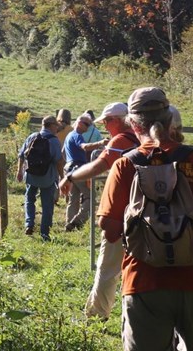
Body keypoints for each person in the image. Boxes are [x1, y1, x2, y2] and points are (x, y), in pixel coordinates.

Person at [97, 87, 193, 351]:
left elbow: (110, 230)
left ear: (132, 123)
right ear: (169, 120)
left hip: (143, 282)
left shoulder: (125, 165)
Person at [58, 101, 139, 319]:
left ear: (117, 121)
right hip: (143, 212)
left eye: (106, 122)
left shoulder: (121, 140)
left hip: (120, 214)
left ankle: (97, 314)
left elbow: (98, 166)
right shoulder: (143, 139)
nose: (105, 127)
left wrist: (69, 177)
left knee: (107, 268)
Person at [16, 115, 63, 242]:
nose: (57, 128)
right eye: (56, 126)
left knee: (29, 199)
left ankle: (29, 224)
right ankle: (44, 234)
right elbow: (58, 161)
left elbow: (21, 155)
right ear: (51, 125)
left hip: (31, 175)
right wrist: (62, 178)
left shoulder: (32, 136)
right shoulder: (54, 141)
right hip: (47, 178)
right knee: (47, 206)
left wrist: (19, 171)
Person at [61, 114, 108, 231]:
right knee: (91, 198)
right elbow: (85, 147)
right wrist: (100, 143)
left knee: (73, 199)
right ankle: (77, 221)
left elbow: (62, 152)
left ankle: (69, 225)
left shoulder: (69, 136)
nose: (88, 127)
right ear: (80, 123)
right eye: (87, 124)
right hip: (77, 169)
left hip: (69, 168)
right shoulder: (77, 136)